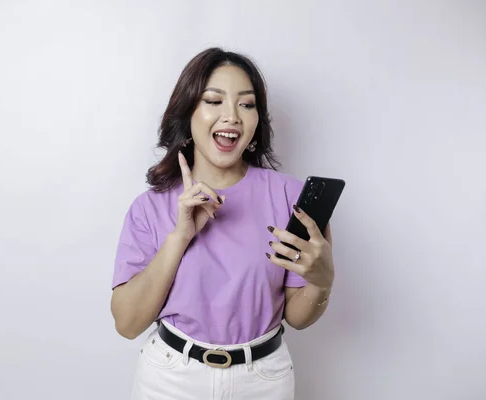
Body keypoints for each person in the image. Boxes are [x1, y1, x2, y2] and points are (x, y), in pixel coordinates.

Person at [110, 47, 336, 400]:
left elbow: (298, 316)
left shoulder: (290, 197)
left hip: (263, 380)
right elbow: (127, 324)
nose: (231, 116)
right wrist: (180, 236)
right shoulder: (149, 207)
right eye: (214, 101)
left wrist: (322, 282)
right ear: (188, 113)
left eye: (246, 105)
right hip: (170, 380)